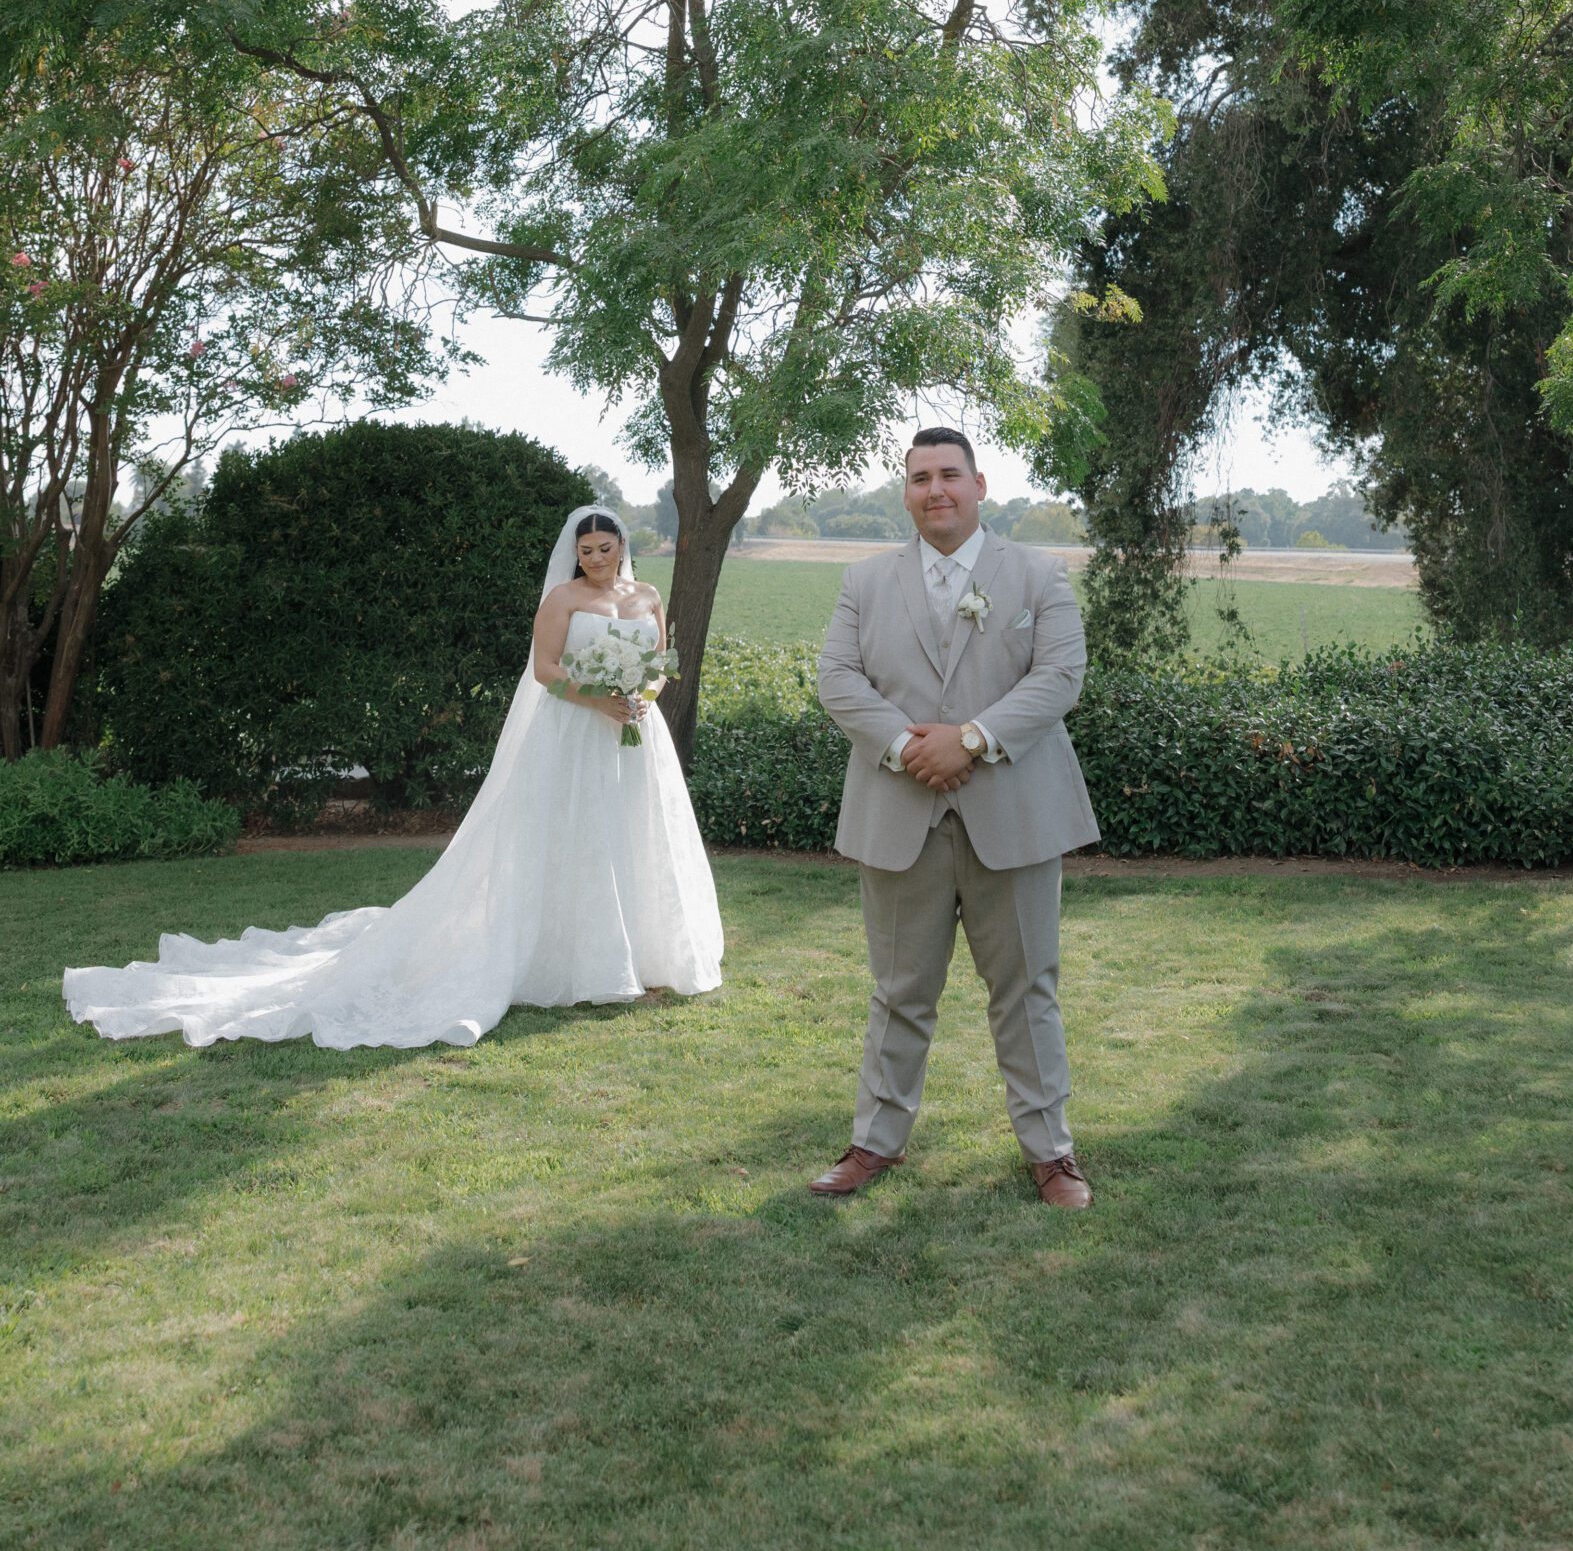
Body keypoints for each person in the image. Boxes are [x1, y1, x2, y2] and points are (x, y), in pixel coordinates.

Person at [63, 505, 723, 1048]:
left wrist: (642, 696)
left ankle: (644, 954)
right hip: (577, 730)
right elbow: (546, 670)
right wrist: (596, 698)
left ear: (622, 546)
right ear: (574, 554)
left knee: (631, 835)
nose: (596, 560)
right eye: (586, 551)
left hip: (632, 733)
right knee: (573, 837)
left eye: (605, 549)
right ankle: (569, 955)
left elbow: (661, 660)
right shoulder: (562, 599)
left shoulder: (647, 596)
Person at [813, 427, 1100, 1207]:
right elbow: (836, 679)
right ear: (904, 492)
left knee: (1026, 989)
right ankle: (874, 1145)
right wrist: (910, 748)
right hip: (898, 812)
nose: (934, 489)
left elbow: (1060, 675)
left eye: (948, 475)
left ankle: (1050, 1153)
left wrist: (970, 738)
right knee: (899, 991)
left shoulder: (1038, 574)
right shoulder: (864, 581)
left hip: (1015, 816)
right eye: (918, 478)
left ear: (980, 484)